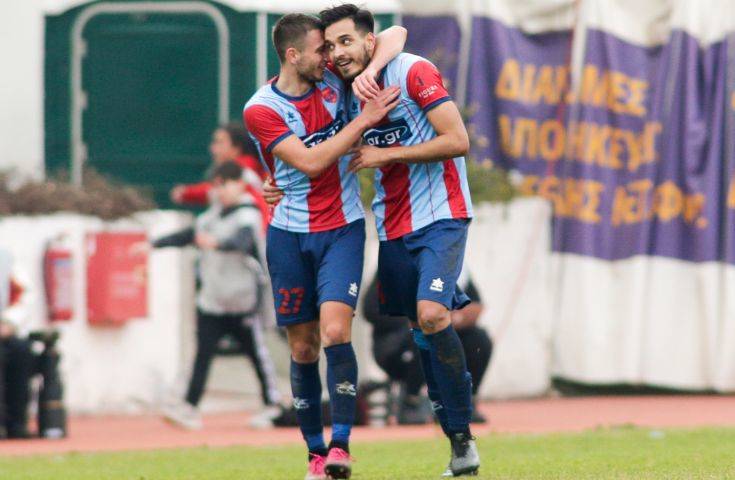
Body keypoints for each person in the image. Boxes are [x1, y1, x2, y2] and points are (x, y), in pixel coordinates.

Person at [243, 13, 405, 480]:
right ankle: (314, 453)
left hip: (343, 229)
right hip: (288, 235)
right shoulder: (261, 108)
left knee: (336, 332)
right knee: (303, 348)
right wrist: (366, 120)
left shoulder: (335, 76)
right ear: (293, 55)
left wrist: (374, 70)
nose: (330, 56)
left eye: (333, 48)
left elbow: (395, 34)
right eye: (322, 49)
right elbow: (312, 163)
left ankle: (341, 447)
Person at [319, 4, 479, 476]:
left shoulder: (411, 71)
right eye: (330, 45)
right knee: (420, 331)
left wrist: (387, 154)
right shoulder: (341, 89)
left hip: (442, 215)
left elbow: (458, 139)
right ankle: (455, 438)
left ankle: (463, 431)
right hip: (392, 227)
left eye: (346, 41)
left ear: (368, 41)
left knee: (433, 315)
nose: (337, 52)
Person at [136, 161, 282, 430]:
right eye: (217, 185)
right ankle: (189, 407)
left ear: (240, 184)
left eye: (226, 184)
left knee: (257, 355)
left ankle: (272, 405)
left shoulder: (248, 215)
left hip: (242, 302)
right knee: (202, 355)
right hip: (212, 301)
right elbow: (188, 235)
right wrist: (154, 244)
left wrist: (217, 243)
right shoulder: (210, 217)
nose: (221, 190)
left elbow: (242, 241)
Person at [362, 268, 492, 425]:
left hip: (442, 336)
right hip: (396, 343)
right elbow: (370, 309)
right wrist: (416, 320)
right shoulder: (395, 264)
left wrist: (456, 318)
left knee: (479, 340)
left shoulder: (455, 267)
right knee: (422, 335)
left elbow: (475, 305)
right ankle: (410, 402)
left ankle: (463, 401)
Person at [170, 123, 270, 230]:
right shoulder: (238, 168)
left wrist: (186, 193)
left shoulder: (244, 169)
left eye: (219, 143)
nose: (213, 148)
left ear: (236, 148)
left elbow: (211, 191)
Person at [0, 249, 33, 439]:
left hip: (3, 328)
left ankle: (17, 423)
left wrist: (9, 323)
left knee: (21, 350)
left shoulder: (5, 258)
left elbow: (24, 295)